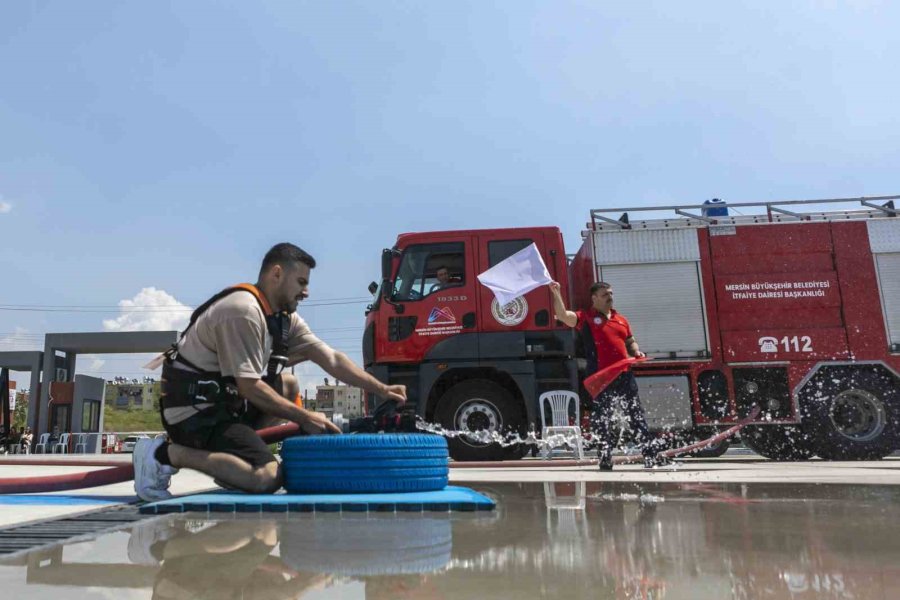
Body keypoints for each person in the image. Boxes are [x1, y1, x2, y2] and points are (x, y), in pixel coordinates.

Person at [133, 242, 408, 501]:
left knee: (287, 386)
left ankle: (232, 467)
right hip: (193, 414)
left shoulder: (283, 318)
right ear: (277, 273)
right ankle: (162, 454)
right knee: (268, 478)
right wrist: (305, 416)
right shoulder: (242, 310)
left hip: (225, 408)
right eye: (301, 282)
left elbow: (332, 359)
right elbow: (250, 388)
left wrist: (381, 389)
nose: (306, 292)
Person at [549, 280, 664, 470]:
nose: (610, 297)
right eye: (605, 295)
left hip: (624, 375)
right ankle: (605, 458)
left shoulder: (621, 319)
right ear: (594, 298)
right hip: (601, 378)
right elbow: (562, 315)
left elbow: (630, 341)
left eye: (611, 293)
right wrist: (556, 293)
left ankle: (650, 456)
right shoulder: (586, 317)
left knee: (636, 416)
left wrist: (636, 351)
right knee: (603, 419)